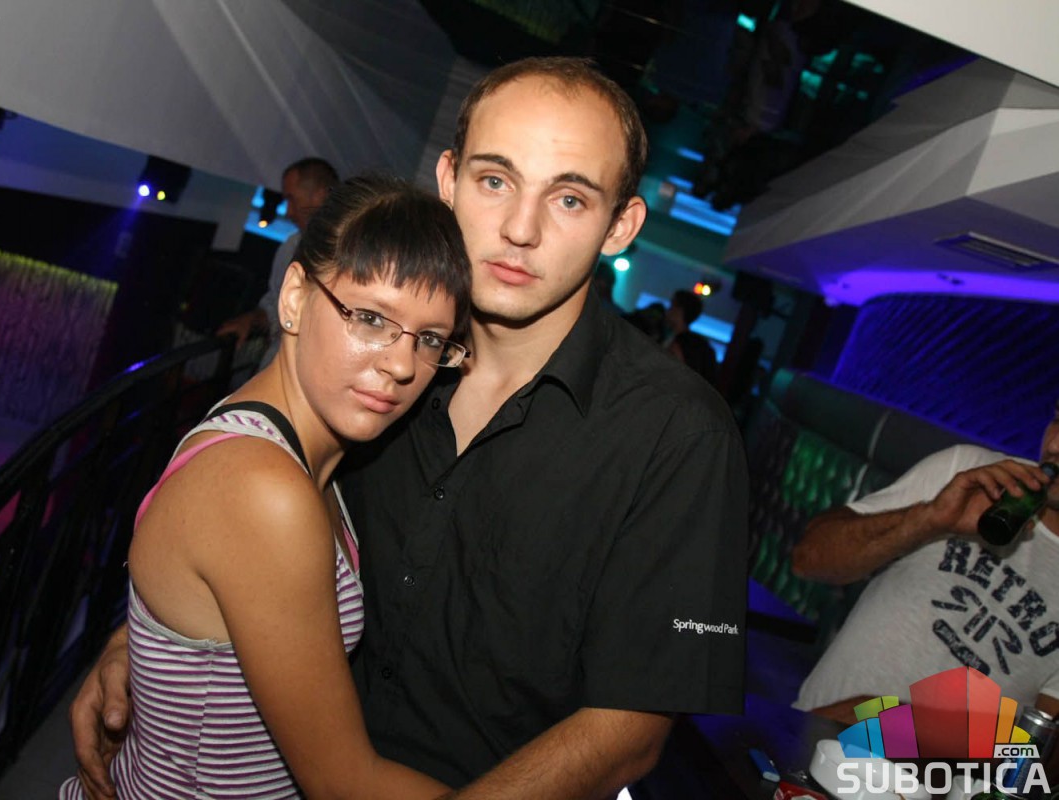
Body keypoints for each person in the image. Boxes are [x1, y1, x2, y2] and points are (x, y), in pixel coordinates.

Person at [73, 56, 748, 799]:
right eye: (495, 181)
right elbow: (234, 539)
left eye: (568, 199)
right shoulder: (379, 370)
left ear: (620, 225)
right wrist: (152, 639)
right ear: (449, 179)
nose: (520, 229)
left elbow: (630, 731)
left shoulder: (680, 435)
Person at [60, 174, 471, 799]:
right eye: (370, 318)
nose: (401, 364)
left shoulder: (289, 445)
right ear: (295, 298)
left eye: (431, 339)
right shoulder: (265, 488)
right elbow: (343, 784)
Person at [791, 403, 1059, 725]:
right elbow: (808, 559)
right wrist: (929, 519)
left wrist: (898, 726)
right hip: (810, 734)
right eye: (1058, 419)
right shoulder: (970, 471)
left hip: (920, 760)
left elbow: (1041, 747)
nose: (1054, 446)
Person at [217, 158, 340, 369]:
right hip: (274, 369)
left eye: (291, 199)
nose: (288, 212)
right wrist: (253, 319)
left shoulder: (355, 254)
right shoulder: (291, 246)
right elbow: (275, 305)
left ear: (321, 196)